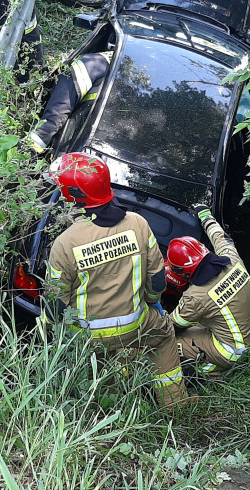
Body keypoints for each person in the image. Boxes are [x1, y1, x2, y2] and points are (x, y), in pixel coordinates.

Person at [43, 152, 189, 406]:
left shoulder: (65, 243)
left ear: (72, 196)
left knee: (98, 367)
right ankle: (176, 404)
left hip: (87, 336)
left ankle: (107, 412)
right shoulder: (138, 223)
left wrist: (53, 334)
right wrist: (152, 303)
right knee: (164, 336)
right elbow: (156, 281)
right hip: (135, 324)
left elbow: (55, 304)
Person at [166, 204, 250, 375]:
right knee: (200, 320)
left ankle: (210, 375)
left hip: (237, 352)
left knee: (172, 342)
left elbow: (171, 327)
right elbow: (221, 237)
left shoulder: (195, 297)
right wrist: (205, 215)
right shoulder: (231, 259)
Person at [29, 51, 111, 153]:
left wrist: (29, 150)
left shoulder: (93, 64)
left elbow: (58, 111)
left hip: (71, 153)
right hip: (92, 156)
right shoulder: (99, 66)